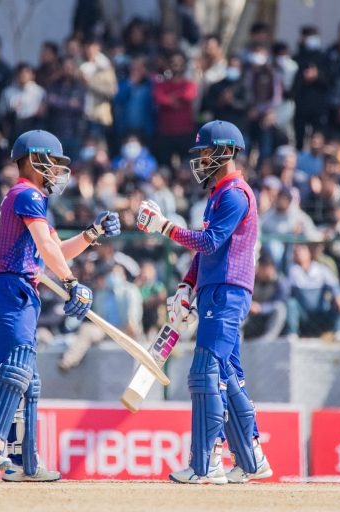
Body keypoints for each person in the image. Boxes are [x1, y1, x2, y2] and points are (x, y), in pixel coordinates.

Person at [0, 129, 120, 482]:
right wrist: (71, 283)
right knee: (16, 369)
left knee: (28, 381)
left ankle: (25, 464)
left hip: (20, 291)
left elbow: (55, 250)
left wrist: (92, 233)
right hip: (11, 290)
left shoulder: (30, 200)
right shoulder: (27, 194)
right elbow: (49, 252)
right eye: (53, 162)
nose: (57, 171)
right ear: (35, 160)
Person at [136, 120, 272, 484]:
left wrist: (164, 226)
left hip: (227, 290)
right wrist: (187, 285)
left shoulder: (235, 194)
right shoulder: (219, 193)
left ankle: (206, 462)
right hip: (217, 288)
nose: (201, 159)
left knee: (205, 371)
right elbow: (206, 253)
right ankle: (252, 458)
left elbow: (209, 243)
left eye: (207, 152)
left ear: (226, 152)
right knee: (228, 374)